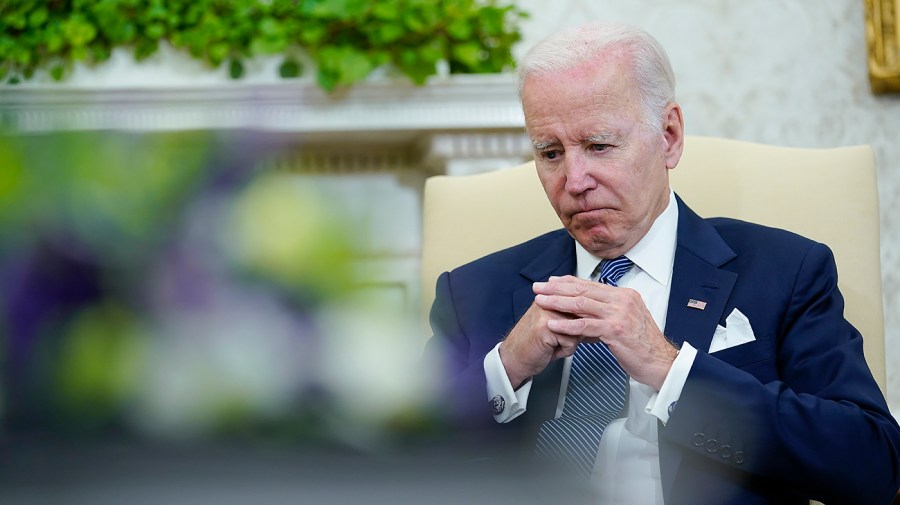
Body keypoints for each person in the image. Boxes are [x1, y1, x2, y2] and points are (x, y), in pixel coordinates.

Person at [425, 22, 900, 505]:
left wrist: (669, 367)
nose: (575, 180)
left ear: (669, 136)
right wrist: (506, 369)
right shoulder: (471, 293)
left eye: (599, 146)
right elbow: (394, 466)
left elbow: (872, 464)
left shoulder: (787, 271)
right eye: (550, 153)